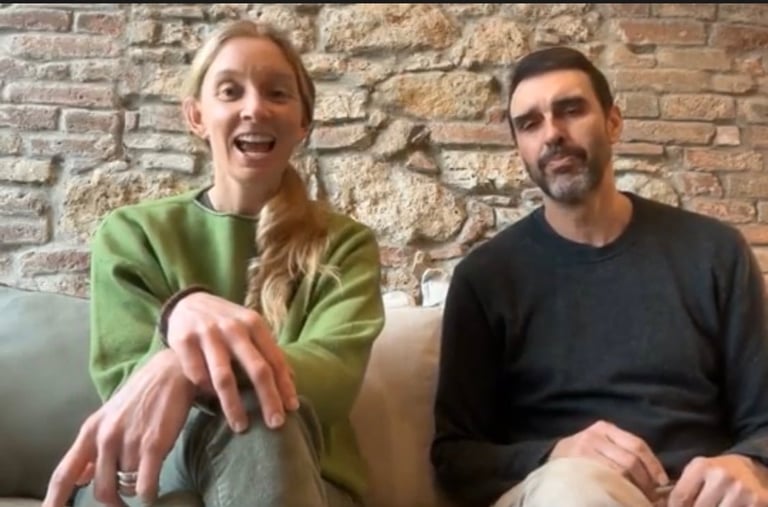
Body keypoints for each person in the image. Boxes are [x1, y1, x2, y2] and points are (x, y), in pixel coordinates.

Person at [42, 19, 385, 507]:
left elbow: (334, 379)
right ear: (197, 116)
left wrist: (183, 363)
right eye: (230, 91)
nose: (254, 108)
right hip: (155, 465)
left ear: (304, 122)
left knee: (261, 412)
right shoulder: (132, 233)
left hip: (304, 473)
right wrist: (182, 327)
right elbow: (127, 389)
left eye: (277, 93)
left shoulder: (345, 244)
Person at [430, 46, 768, 507]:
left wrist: (747, 463)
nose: (552, 134)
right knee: (575, 490)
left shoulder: (714, 252)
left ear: (613, 122)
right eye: (530, 124)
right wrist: (557, 453)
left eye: (570, 110)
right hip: (561, 491)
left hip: (698, 494)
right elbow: (455, 457)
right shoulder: (486, 278)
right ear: (519, 148)